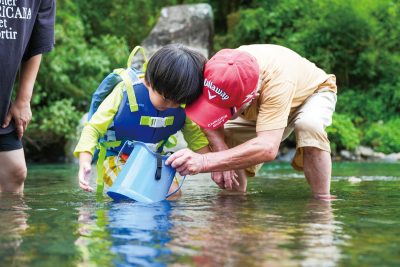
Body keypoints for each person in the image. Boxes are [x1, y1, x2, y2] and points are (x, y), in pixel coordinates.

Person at [166, 44, 337, 200]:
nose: (216, 115)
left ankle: (322, 203)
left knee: (308, 125)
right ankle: (234, 203)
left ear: (251, 98)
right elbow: (205, 117)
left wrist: (205, 161)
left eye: (224, 110)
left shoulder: (277, 83)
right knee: (228, 139)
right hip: (261, 102)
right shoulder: (217, 69)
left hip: (311, 94)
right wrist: (219, 148)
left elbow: (267, 147)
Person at [74, 44, 210, 196]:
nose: (171, 105)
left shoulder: (181, 103)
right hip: (116, 157)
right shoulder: (125, 92)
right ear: (148, 82)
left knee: (173, 194)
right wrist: (85, 160)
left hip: (152, 158)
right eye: (165, 99)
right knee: (130, 195)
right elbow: (93, 128)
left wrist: (213, 166)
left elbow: (196, 138)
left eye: (177, 101)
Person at [0, 0, 56, 193]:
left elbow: (37, 42)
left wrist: (23, 100)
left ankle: (11, 223)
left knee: (14, 172)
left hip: (3, 100)